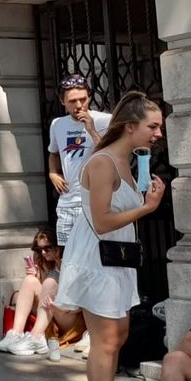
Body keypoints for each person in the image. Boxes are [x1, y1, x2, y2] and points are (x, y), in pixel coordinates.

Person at [48, 91, 166, 381]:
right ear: (131, 126)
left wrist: (144, 201)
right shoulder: (103, 164)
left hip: (116, 262)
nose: (158, 133)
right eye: (153, 126)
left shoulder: (123, 160)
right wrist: (147, 208)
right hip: (97, 262)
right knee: (106, 342)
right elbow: (100, 222)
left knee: (116, 339)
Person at [48, 75, 113, 258]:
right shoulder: (58, 124)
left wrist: (91, 130)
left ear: (89, 97)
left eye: (83, 99)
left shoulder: (104, 121)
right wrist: (53, 172)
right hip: (67, 201)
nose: (79, 106)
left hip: (93, 201)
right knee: (68, 257)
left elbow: (109, 155)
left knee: (94, 255)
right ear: (63, 102)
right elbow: (53, 152)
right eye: (72, 101)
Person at [0, 230, 64, 359]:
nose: (43, 253)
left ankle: (37, 337)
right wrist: (37, 276)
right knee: (30, 280)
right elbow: (43, 291)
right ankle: (16, 333)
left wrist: (59, 263)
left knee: (49, 284)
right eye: (39, 249)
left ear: (57, 246)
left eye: (47, 248)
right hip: (47, 311)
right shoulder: (44, 263)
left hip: (64, 312)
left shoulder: (67, 263)